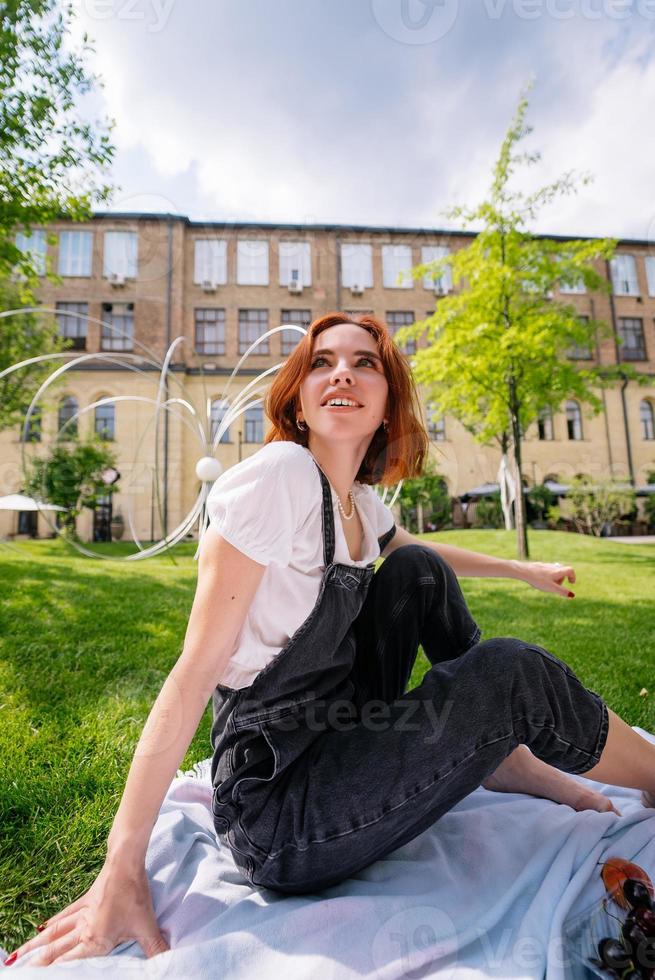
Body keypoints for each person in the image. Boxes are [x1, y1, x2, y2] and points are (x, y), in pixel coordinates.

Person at [7, 312, 655, 968]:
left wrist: (523, 569)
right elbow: (193, 672)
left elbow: (419, 550)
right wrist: (122, 867)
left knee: (414, 572)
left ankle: (504, 757)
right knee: (508, 672)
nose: (341, 370)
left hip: (337, 729)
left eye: (363, 361)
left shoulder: (359, 503)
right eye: (321, 361)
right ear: (297, 396)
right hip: (277, 808)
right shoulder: (279, 478)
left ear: (386, 405)